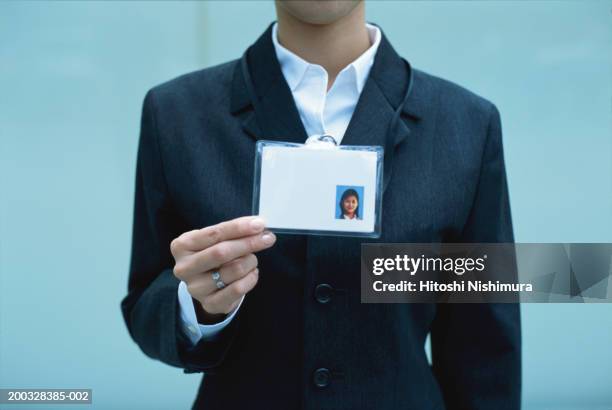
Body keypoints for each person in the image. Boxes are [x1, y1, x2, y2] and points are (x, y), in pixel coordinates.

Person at [121, 1, 521, 409]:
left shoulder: (467, 125)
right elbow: (145, 305)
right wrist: (196, 306)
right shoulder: (175, 114)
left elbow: (485, 353)